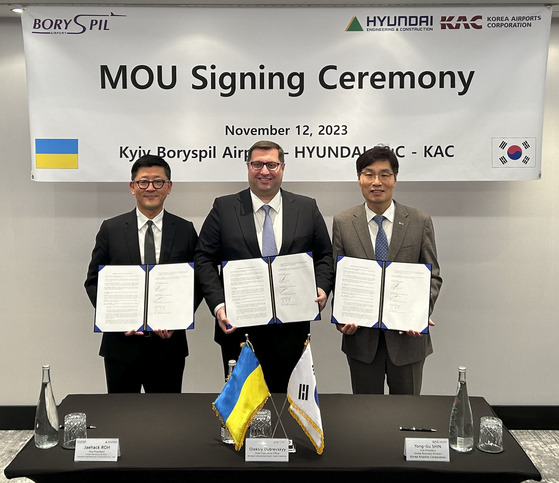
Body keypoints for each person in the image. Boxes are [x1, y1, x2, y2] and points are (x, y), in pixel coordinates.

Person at [194, 140, 334, 393]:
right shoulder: (224, 208)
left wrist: (322, 289)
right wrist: (218, 305)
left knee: (286, 405)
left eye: (271, 164)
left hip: (291, 331)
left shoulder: (306, 207)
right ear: (248, 166)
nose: (264, 171)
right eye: (257, 164)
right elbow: (203, 259)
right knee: (242, 408)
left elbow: (325, 256)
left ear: (282, 167)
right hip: (238, 330)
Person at [332, 145, 442, 395]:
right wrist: (340, 316)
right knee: (365, 414)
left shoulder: (419, 220)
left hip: (408, 339)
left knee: (407, 412)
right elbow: (340, 277)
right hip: (361, 339)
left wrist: (420, 311)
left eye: (385, 174)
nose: (376, 182)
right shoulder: (343, 222)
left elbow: (433, 274)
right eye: (369, 174)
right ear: (359, 178)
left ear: (395, 179)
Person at [84, 155, 199, 393]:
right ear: (132, 187)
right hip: (121, 346)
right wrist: (116, 318)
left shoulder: (185, 230)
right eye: (143, 182)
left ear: (169, 187)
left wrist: (178, 318)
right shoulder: (110, 229)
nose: (150, 188)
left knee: (166, 417)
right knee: (121, 416)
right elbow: (93, 282)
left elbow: (197, 282)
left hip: (169, 345)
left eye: (158, 182)